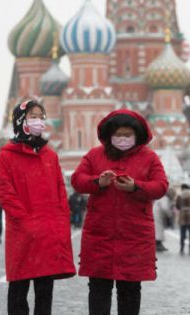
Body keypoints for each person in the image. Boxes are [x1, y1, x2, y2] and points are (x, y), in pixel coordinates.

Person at [71, 109, 168, 315]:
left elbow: (161, 186)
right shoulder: (94, 155)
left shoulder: (149, 157)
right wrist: (98, 182)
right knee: (98, 288)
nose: (122, 139)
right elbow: (77, 180)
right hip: (100, 234)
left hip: (134, 235)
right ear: (109, 135)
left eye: (127, 134)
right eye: (118, 134)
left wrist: (136, 186)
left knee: (130, 289)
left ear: (137, 135)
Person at [0, 100, 76, 315]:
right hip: (23, 233)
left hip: (47, 233)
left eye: (41, 116)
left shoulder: (50, 155)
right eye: (33, 116)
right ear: (21, 120)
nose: (39, 121)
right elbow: (5, 191)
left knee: (44, 290)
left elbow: (60, 190)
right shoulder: (7, 156)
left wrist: (61, 220)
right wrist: (25, 220)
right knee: (18, 290)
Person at [176, 184, 190, 254]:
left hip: (182, 215)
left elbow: (177, 206)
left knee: (182, 233)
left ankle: (182, 248)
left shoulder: (179, 195)